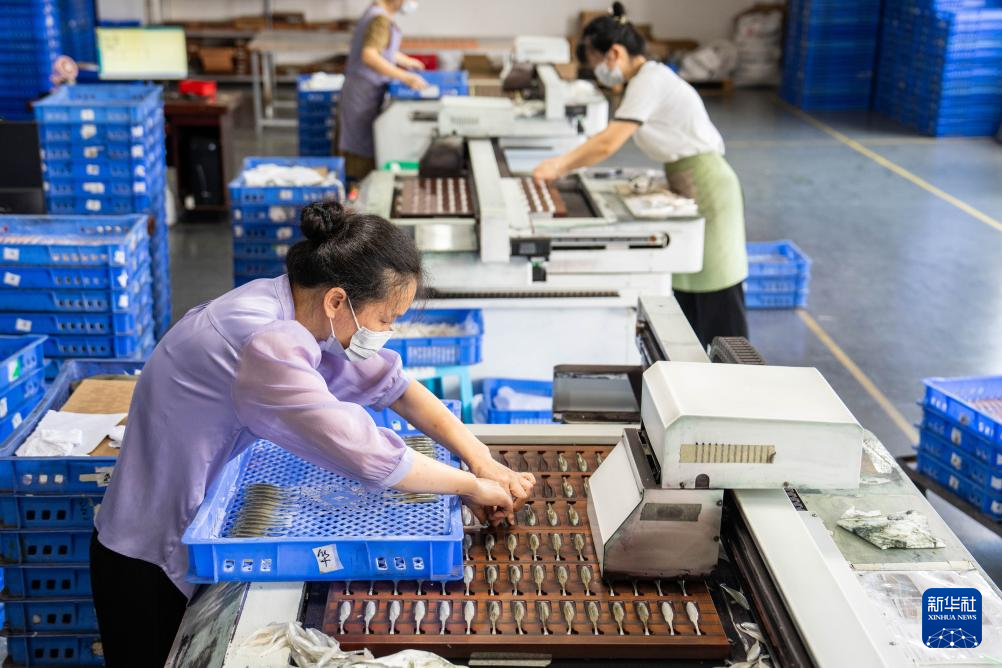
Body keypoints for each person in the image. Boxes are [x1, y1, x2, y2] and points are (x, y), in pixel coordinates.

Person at [90, 201, 534, 667]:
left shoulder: (293, 308)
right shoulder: (264, 341)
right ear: (338, 301)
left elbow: (395, 387)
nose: (387, 332)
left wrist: (481, 460)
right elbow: (367, 453)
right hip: (148, 556)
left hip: (175, 523)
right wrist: (469, 486)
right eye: (385, 319)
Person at [533, 2, 748, 348]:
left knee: (716, 292)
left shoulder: (650, 80)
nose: (598, 72)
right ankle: (695, 367)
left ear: (615, 53)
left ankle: (733, 374)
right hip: (688, 178)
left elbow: (609, 142)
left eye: (597, 62)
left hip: (708, 186)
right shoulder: (645, 80)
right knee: (690, 288)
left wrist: (557, 166)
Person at [338, 0, 428, 182]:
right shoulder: (379, 19)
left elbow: (382, 50)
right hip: (363, 93)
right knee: (359, 148)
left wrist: (406, 61)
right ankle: (358, 190)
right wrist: (405, 77)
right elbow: (370, 55)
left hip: (361, 88)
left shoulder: (375, 11)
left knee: (359, 144)